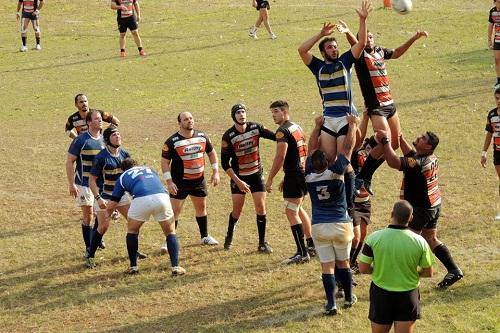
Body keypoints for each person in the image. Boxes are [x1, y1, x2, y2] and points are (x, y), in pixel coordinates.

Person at [337, 21, 428, 195]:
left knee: (394, 143)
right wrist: (349, 32)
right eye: (365, 38)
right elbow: (356, 43)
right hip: (376, 106)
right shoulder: (360, 55)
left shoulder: (380, 51)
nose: (368, 40)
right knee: (384, 138)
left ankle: (365, 175)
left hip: (390, 104)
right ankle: (363, 175)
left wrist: (414, 38)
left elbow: (398, 53)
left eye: (370, 36)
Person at [375, 129, 463, 288]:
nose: (418, 137)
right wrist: (400, 138)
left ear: (428, 146)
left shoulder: (418, 163)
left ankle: (405, 276)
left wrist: (385, 142)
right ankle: (454, 270)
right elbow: (411, 154)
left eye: (423, 138)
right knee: (431, 239)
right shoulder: (428, 157)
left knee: (408, 242)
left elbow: (394, 162)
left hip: (420, 209)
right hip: (433, 204)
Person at [298, 0, 371, 163]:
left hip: (345, 118)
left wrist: (363, 20)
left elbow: (362, 44)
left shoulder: (345, 61)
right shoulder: (317, 66)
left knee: (343, 161)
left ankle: (349, 188)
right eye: (330, 47)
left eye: (335, 46)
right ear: (323, 52)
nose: (334, 49)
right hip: (328, 119)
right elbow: (302, 50)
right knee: (329, 160)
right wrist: (320, 35)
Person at [305, 114, 359, 315]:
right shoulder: (336, 172)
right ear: (327, 161)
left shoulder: (309, 175)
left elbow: (311, 148)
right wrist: (352, 125)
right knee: (343, 263)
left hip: (319, 225)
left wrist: (317, 127)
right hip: (340, 224)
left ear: (311, 162)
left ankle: (331, 303)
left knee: (326, 266)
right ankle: (348, 297)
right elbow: (348, 148)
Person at [359, 200, 434, 333]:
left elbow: (363, 268)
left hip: (381, 295)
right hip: (408, 296)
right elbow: (428, 272)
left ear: (392, 214)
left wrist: (378, 270)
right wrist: (413, 273)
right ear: (411, 218)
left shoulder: (374, 238)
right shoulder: (420, 242)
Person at [107, 158, 185, 276]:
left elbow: (114, 202)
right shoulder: (150, 169)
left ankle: (133, 267)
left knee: (132, 231)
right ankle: (175, 267)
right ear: (137, 164)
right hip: (162, 197)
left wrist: (107, 213)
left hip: (141, 199)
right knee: (170, 233)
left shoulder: (122, 177)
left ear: (123, 169)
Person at [86, 127, 146, 268]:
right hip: (105, 196)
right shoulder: (101, 157)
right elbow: (91, 180)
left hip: (122, 196)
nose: (118, 136)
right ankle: (90, 255)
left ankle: (134, 251)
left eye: (119, 133)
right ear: (107, 139)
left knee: (134, 222)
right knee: (103, 226)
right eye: (114, 135)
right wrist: (98, 198)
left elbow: (132, 176)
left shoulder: (125, 154)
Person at [221, 104, 276, 252]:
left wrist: (287, 135)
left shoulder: (255, 127)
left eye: (243, 112)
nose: (241, 115)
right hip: (239, 178)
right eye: (238, 113)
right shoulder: (228, 136)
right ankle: (229, 235)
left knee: (261, 207)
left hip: (256, 175)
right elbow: (225, 164)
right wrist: (238, 182)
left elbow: (275, 136)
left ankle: (262, 242)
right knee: (237, 211)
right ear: (234, 116)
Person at [161, 112, 220, 249]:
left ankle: (205, 236)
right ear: (179, 123)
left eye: (191, 118)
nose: (189, 121)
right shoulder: (172, 141)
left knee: (201, 208)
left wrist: (215, 171)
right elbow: (164, 163)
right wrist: (169, 182)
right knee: (174, 212)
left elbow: (211, 153)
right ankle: (168, 240)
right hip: (179, 182)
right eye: (186, 119)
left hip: (198, 180)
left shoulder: (202, 136)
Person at [265, 100, 315, 264]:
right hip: (302, 173)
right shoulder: (296, 127)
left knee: (291, 211)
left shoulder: (282, 131)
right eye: (272, 112)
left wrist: (271, 178)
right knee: (297, 209)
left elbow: (281, 156)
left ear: (285, 112)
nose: (273, 115)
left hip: (295, 175)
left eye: (276, 112)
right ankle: (311, 244)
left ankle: (302, 252)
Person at [66, 110, 105, 255]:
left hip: (100, 185)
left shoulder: (104, 140)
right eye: (96, 119)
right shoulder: (81, 140)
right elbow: (70, 162)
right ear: (89, 122)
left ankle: (95, 239)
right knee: (89, 215)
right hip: (83, 184)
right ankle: (89, 249)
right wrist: (71, 184)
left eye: (101, 119)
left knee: (100, 215)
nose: (100, 121)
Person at [480, 87, 500, 220]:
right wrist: (484, 152)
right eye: (497, 98)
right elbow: (489, 134)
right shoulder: (492, 115)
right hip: (498, 151)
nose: (499, 101)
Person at [488, 0, 500, 88]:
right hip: (498, 39)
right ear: (495, 2)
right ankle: (499, 81)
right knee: (497, 60)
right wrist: (489, 40)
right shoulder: (492, 12)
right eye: (499, 1)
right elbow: (490, 26)